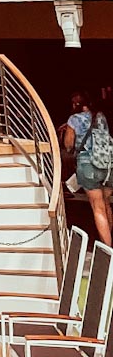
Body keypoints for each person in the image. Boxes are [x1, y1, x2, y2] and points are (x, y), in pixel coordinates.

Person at [64, 92, 113, 247]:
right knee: (106, 205)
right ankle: (109, 240)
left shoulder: (74, 119)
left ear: (77, 105)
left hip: (88, 164)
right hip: (107, 164)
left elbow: (69, 144)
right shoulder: (100, 116)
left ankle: (107, 249)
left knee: (97, 208)